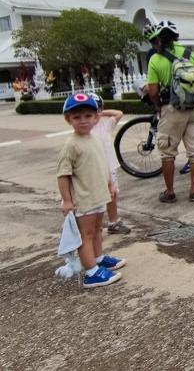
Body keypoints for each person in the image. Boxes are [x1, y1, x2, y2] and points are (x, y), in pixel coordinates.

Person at [57, 93, 125, 288]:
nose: (83, 121)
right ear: (68, 119)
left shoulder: (93, 138)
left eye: (88, 115)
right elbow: (63, 175)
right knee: (85, 235)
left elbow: (102, 164)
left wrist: (110, 184)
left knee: (97, 230)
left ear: (97, 117)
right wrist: (67, 200)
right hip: (83, 199)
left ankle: (98, 258)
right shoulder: (71, 145)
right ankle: (91, 272)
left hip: (98, 195)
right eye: (77, 117)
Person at [144, 20, 194, 203]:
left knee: (168, 153)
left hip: (171, 109)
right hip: (193, 110)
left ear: (158, 38)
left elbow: (153, 92)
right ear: (176, 36)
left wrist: (157, 106)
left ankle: (170, 192)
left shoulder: (155, 60)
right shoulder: (191, 54)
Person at [88, 93, 130, 235]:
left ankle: (113, 222)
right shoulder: (85, 129)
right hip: (93, 169)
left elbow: (119, 113)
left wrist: (100, 113)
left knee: (112, 195)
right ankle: (93, 225)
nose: (93, 115)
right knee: (95, 198)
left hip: (109, 166)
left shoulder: (105, 123)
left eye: (96, 110)